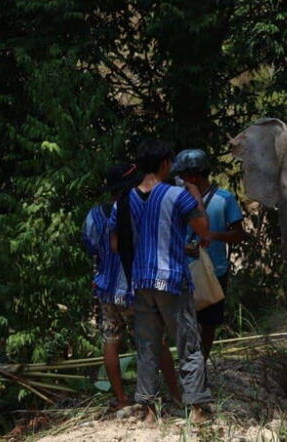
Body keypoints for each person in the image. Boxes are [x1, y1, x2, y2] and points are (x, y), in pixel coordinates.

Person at [109, 141, 213, 423]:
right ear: (166, 164)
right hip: (172, 280)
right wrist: (197, 197)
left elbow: (116, 244)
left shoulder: (124, 199)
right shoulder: (178, 196)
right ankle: (196, 409)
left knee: (147, 347)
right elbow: (203, 231)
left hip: (140, 282)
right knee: (188, 345)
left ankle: (149, 411)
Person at [82, 163, 182, 410]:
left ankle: (121, 399)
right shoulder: (136, 210)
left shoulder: (94, 215)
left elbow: (90, 245)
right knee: (155, 342)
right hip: (134, 289)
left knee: (110, 340)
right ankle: (175, 393)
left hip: (106, 288)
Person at [171, 149, 247, 361]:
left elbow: (239, 234)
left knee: (209, 323)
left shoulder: (225, 199)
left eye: (182, 176)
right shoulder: (177, 200)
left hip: (215, 271)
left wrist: (213, 235)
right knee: (185, 321)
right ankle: (189, 362)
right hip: (184, 271)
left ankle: (201, 361)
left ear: (193, 176)